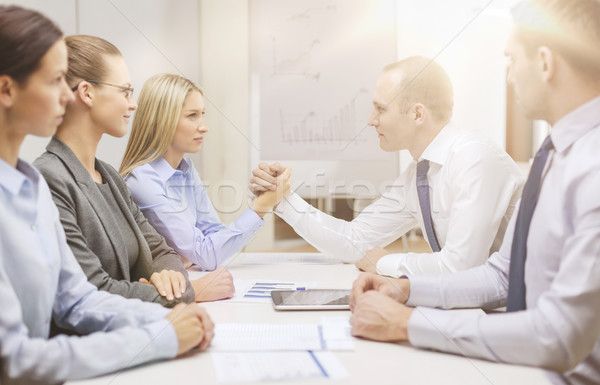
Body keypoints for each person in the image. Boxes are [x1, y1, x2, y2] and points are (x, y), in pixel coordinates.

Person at [349, 0, 600, 384]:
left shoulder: (592, 165)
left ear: (545, 63)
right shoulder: (553, 156)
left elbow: (558, 335)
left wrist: (410, 324)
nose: (510, 76)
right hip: (523, 365)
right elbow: (502, 276)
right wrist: (407, 289)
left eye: (512, 61)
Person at [0, 5, 213, 384]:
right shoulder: (49, 177)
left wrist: (170, 311)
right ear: (6, 89)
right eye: (54, 82)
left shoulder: (30, 181)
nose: (65, 98)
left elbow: (77, 297)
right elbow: (14, 359)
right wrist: (163, 328)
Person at [250, 57, 523, 277]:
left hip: (512, 318)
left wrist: (386, 262)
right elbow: (354, 240)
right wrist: (282, 198)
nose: (371, 120)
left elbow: (461, 269)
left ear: (417, 114)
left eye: (381, 109)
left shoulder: (473, 158)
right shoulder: (418, 176)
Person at [33, 35, 232, 304]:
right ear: (87, 93)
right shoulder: (48, 179)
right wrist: (189, 293)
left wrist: (166, 275)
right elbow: (91, 290)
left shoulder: (111, 177)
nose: (133, 104)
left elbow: (161, 251)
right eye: (125, 91)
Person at [119, 73, 290, 271]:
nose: (204, 127)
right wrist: (262, 205)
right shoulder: (142, 181)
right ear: (162, 120)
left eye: (202, 114)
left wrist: (193, 255)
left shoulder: (186, 169)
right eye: (192, 116)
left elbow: (214, 235)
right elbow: (208, 255)